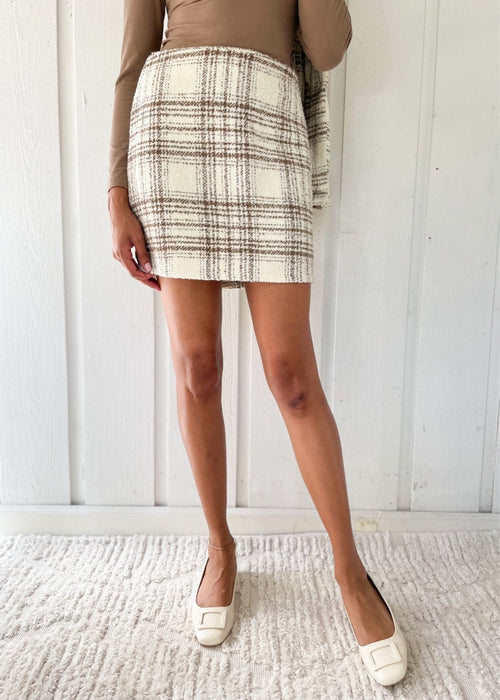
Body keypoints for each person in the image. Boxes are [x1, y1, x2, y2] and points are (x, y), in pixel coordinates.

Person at [107, 0, 408, 687]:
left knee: (292, 377)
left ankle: (350, 572)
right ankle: (220, 550)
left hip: (268, 129)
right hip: (172, 134)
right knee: (198, 367)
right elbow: (131, 60)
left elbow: (327, 50)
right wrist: (117, 189)